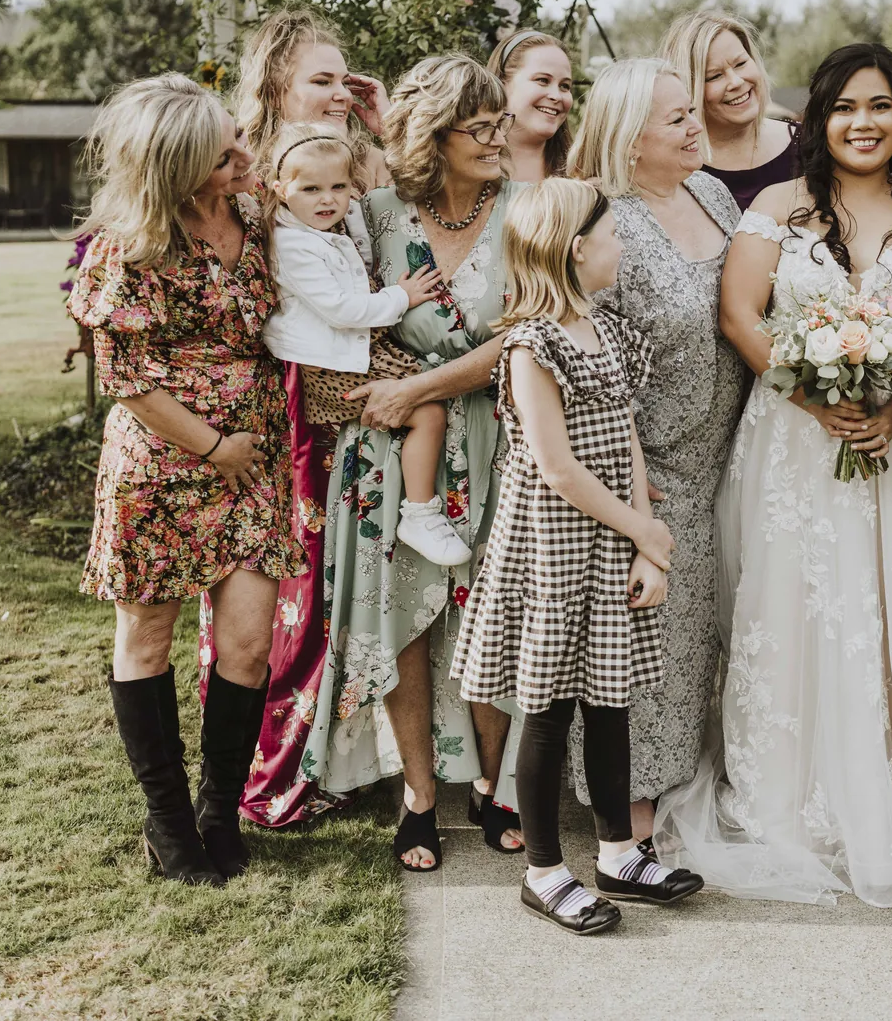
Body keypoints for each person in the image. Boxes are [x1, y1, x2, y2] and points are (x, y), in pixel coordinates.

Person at [657, 43, 892, 909]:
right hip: (796, 442)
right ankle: (791, 799)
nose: (864, 123)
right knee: (801, 604)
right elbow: (741, 314)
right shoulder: (776, 206)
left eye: (880, 106)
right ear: (817, 119)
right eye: (846, 107)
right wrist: (818, 400)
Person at [452, 177, 706, 935]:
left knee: (611, 699)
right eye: (612, 233)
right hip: (554, 550)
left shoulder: (607, 328)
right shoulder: (532, 345)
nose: (622, 244)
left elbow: (625, 435)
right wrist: (642, 527)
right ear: (574, 249)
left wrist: (643, 543)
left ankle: (618, 851)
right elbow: (557, 467)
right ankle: (543, 870)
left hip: (610, 542)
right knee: (547, 710)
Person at [68, 74, 304, 886]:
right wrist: (212, 447)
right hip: (164, 464)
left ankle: (219, 811)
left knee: (244, 640)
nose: (243, 152)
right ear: (176, 166)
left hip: (255, 455)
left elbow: (353, 183)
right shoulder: (128, 245)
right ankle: (168, 822)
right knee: (149, 635)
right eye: (221, 149)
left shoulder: (256, 211)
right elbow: (125, 374)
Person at [300, 55, 531, 868]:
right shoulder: (372, 214)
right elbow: (316, 287)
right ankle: (420, 794)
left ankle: (496, 785)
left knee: (496, 615)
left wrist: (423, 384)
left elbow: (527, 334)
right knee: (400, 617)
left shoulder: (528, 211)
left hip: (505, 434)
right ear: (435, 135)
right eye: (482, 125)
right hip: (394, 444)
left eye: (502, 120)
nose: (500, 136)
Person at [563, 59, 745, 846]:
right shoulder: (609, 222)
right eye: (674, 118)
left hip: (727, 452)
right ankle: (625, 815)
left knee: (701, 637)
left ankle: (683, 784)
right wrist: (634, 497)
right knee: (643, 639)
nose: (695, 124)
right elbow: (594, 365)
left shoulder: (714, 194)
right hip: (647, 460)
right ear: (628, 138)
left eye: (690, 111)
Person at [219, 11, 393, 830]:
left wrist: (381, 124)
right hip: (291, 396)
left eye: (341, 76)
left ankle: (333, 752)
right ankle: (273, 766)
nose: (336, 92)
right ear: (277, 84)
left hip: (348, 380)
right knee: (298, 578)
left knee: (341, 580)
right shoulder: (249, 175)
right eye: (319, 79)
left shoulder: (342, 164)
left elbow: (393, 220)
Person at [259, 125, 470, 567]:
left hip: (358, 352)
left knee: (436, 391)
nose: (327, 200)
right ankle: (419, 513)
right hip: (333, 367)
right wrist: (402, 298)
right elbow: (342, 310)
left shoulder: (327, 223)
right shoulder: (294, 245)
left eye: (339, 187)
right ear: (280, 190)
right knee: (427, 409)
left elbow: (361, 222)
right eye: (311, 188)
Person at [234, 9, 393, 187]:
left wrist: (390, 130)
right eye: (323, 82)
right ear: (274, 94)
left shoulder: (373, 164)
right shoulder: (242, 173)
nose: (345, 95)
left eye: (346, 83)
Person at [660, 9, 799, 209]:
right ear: (688, 88)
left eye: (741, 63)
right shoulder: (678, 169)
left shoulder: (810, 144)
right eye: (715, 76)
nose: (736, 81)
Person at [487, 29, 576, 184]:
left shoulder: (581, 174)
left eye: (564, 86)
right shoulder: (469, 169)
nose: (556, 95)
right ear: (501, 83)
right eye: (542, 80)